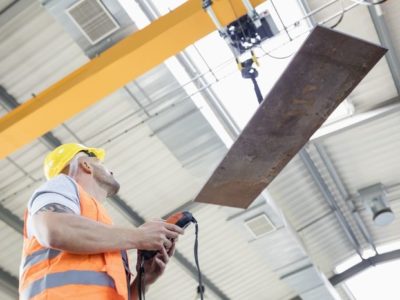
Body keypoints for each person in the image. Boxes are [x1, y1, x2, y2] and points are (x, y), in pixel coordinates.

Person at [19, 143, 184, 299]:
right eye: (100, 163)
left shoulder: (104, 233)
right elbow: (54, 230)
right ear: (86, 164)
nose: (111, 170)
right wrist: (140, 236)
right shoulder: (62, 184)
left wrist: (144, 279)